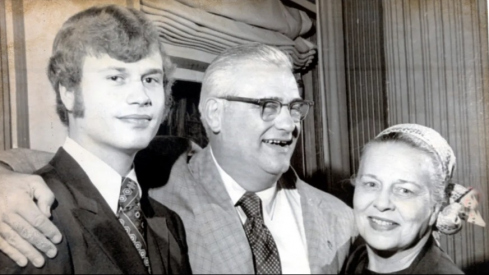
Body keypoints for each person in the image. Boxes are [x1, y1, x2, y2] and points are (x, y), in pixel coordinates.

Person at [0, 44, 356, 273]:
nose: (287, 123)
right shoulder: (161, 184)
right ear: (214, 114)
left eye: (294, 107)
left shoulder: (340, 219)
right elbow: (65, 169)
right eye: (268, 106)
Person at [0, 5, 192, 274]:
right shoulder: (28, 215)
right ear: (69, 93)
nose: (141, 96)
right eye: (116, 77)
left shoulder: (169, 222)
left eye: (150, 79)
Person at [344, 123, 483, 274]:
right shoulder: (354, 259)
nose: (382, 203)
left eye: (404, 190)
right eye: (371, 184)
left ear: (435, 208)